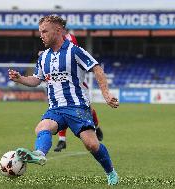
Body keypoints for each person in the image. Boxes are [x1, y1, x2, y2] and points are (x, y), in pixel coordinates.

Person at [8, 15, 119, 185]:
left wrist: (106, 94)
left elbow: (96, 68)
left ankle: (110, 172)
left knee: (92, 145)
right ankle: (39, 154)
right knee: (42, 128)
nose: (41, 35)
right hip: (55, 109)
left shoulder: (75, 51)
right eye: (40, 32)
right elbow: (37, 80)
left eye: (44, 31)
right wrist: (20, 78)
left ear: (58, 30)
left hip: (77, 107)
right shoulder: (43, 57)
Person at [38, 22, 104, 152]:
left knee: (88, 109)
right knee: (61, 109)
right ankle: (62, 140)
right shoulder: (52, 40)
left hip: (75, 82)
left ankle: (95, 126)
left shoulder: (69, 38)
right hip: (59, 83)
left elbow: (70, 52)